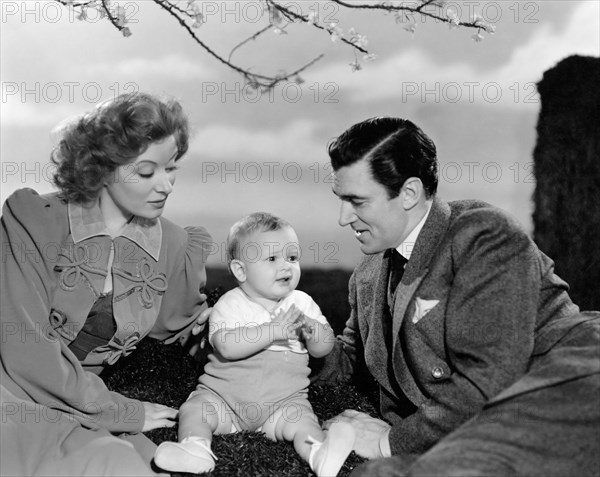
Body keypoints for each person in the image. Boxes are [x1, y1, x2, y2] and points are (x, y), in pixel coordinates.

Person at [315, 117, 600, 476]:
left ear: (409, 193)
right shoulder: (368, 275)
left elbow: (490, 376)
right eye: (341, 200)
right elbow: (353, 363)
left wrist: (388, 442)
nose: (344, 218)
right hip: (486, 422)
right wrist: (309, 345)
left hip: (565, 383)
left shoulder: (482, 235)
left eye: (357, 201)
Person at [0, 92, 212, 476]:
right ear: (101, 167)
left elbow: (188, 329)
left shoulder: (174, 244)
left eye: (172, 168)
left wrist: (271, 334)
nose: (166, 186)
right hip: (10, 388)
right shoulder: (33, 220)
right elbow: (24, 348)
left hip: (80, 409)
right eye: (147, 172)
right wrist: (121, 410)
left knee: (121, 464)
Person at [154, 212, 356, 477]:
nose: (286, 266)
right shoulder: (231, 303)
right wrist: (272, 330)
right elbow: (226, 346)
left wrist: (311, 328)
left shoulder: (302, 303)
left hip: (283, 404)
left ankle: (318, 452)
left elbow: (323, 348)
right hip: (224, 400)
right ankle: (195, 447)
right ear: (241, 270)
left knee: (303, 421)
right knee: (196, 410)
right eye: (272, 259)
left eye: (292, 258)